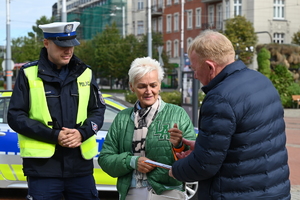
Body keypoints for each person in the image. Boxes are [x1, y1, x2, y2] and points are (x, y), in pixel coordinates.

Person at [169, 30, 291, 200]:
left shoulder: (219, 98)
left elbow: (205, 165)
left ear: (210, 67)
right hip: (274, 190)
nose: (195, 75)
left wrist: (176, 170)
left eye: (195, 69)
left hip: (234, 193)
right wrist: (203, 147)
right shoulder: (261, 81)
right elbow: (251, 143)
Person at [7, 22, 106, 200]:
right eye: (62, 46)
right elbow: (15, 116)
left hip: (80, 168)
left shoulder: (85, 73)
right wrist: (54, 136)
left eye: (72, 45)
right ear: (46, 43)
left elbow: (98, 111)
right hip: (43, 170)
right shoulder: (28, 73)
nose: (68, 50)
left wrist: (82, 133)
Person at [98, 57, 196, 200]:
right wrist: (132, 162)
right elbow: (105, 159)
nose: (148, 91)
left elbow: (192, 159)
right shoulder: (123, 118)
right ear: (132, 87)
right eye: (142, 86)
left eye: (153, 85)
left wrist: (179, 146)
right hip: (131, 192)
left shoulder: (177, 114)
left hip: (168, 192)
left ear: (160, 85)